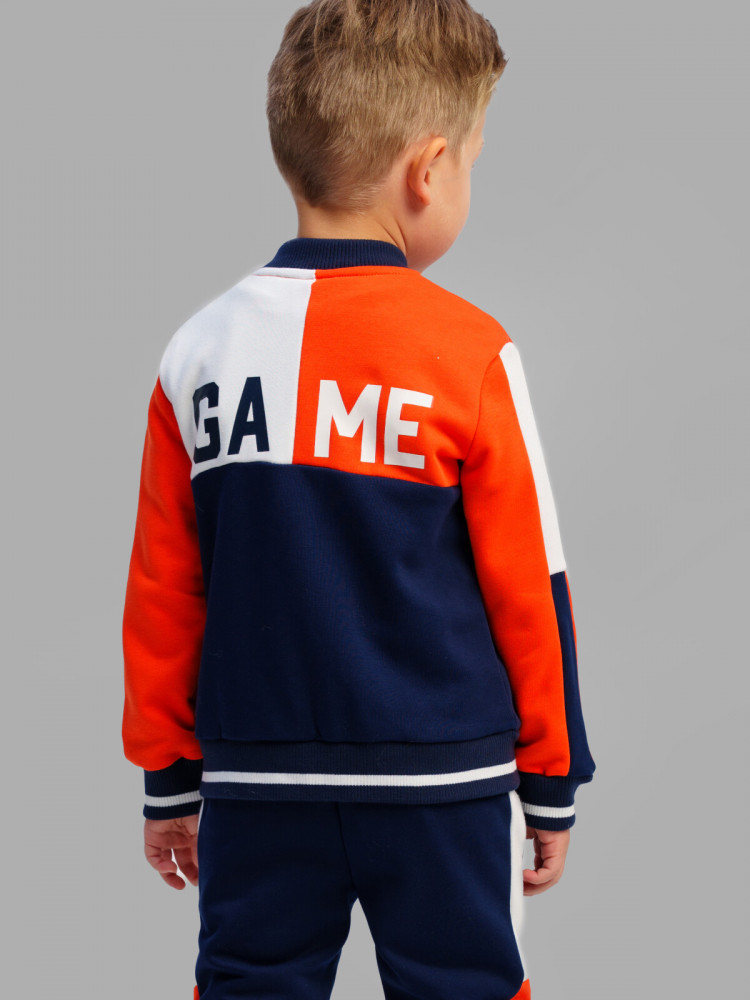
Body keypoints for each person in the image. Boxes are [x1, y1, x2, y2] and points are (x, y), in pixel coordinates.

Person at [121, 2, 596, 997]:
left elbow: (165, 587)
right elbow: (531, 584)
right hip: (441, 781)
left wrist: (169, 775)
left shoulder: (197, 352)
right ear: (429, 170)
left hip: (257, 779)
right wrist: (552, 778)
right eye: (471, 163)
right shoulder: (472, 352)